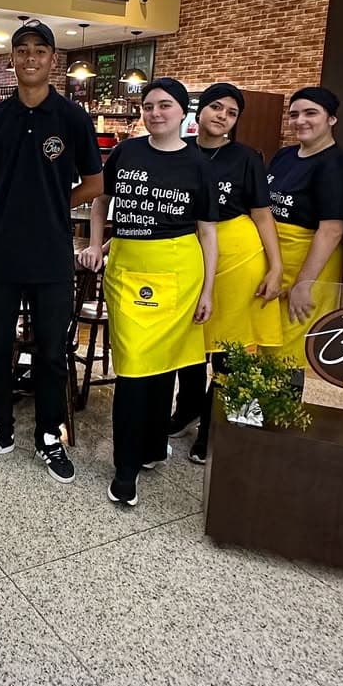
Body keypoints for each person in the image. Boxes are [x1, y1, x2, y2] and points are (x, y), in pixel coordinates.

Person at [0, 19, 103, 484]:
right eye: (22, 50)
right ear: (13, 58)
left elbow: (96, 183)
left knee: (51, 352)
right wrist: (5, 204)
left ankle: (47, 433)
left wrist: (50, 206)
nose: (31, 57)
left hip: (51, 256)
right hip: (0, 253)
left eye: (40, 50)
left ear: (53, 60)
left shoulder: (73, 119)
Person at [81, 77, 218, 508]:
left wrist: (208, 290)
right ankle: (125, 468)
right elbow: (101, 200)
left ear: (182, 113)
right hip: (129, 269)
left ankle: (154, 446)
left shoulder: (199, 164)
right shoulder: (126, 152)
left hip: (179, 270)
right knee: (135, 367)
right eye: (148, 106)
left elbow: (208, 232)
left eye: (164, 106)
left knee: (163, 366)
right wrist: (94, 243)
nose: (155, 113)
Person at [168, 83, 283, 463]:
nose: (222, 116)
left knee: (228, 348)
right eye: (216, 107)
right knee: (189, 342)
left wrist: (276, 266)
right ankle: (187, 409)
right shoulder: (179, 151)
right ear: (198, 111)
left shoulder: (246, 157)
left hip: (237, 255)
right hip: (188, 252)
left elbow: (263, 214)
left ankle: (213, 425)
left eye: (231, 113)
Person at [263, 87, 343, 370]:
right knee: (266, 345)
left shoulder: (336, 164)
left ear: (331, 119)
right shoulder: (285, 156)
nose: (300, 120)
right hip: (278, 263)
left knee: (289, 355)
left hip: (310, 267)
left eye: (310, 113)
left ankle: (280, 414)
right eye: (294, 114)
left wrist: (304, 284)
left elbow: (331, 230)